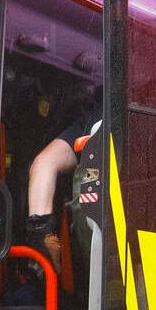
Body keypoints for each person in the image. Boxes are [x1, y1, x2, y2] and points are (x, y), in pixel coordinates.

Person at [24, 112, 101, 268]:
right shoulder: (97, 118)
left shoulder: (93, 119)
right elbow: (45, 163)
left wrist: (41, 234)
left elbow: (44, 163)